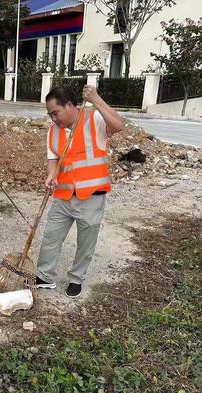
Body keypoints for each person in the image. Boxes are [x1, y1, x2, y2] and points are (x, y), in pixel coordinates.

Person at [36, 85, 124, 297]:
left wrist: (96, 99)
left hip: (91, 197)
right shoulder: (53, 131)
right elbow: (53, 159)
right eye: (50, 115)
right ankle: (45, 276)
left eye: (55, 113)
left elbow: (118, 125)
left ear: (69, 106)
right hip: (63, 196)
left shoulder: (94, 119)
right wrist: (51, 175)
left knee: (86, 242)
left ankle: (76, 278)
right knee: (51, 237)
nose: (53, 119)